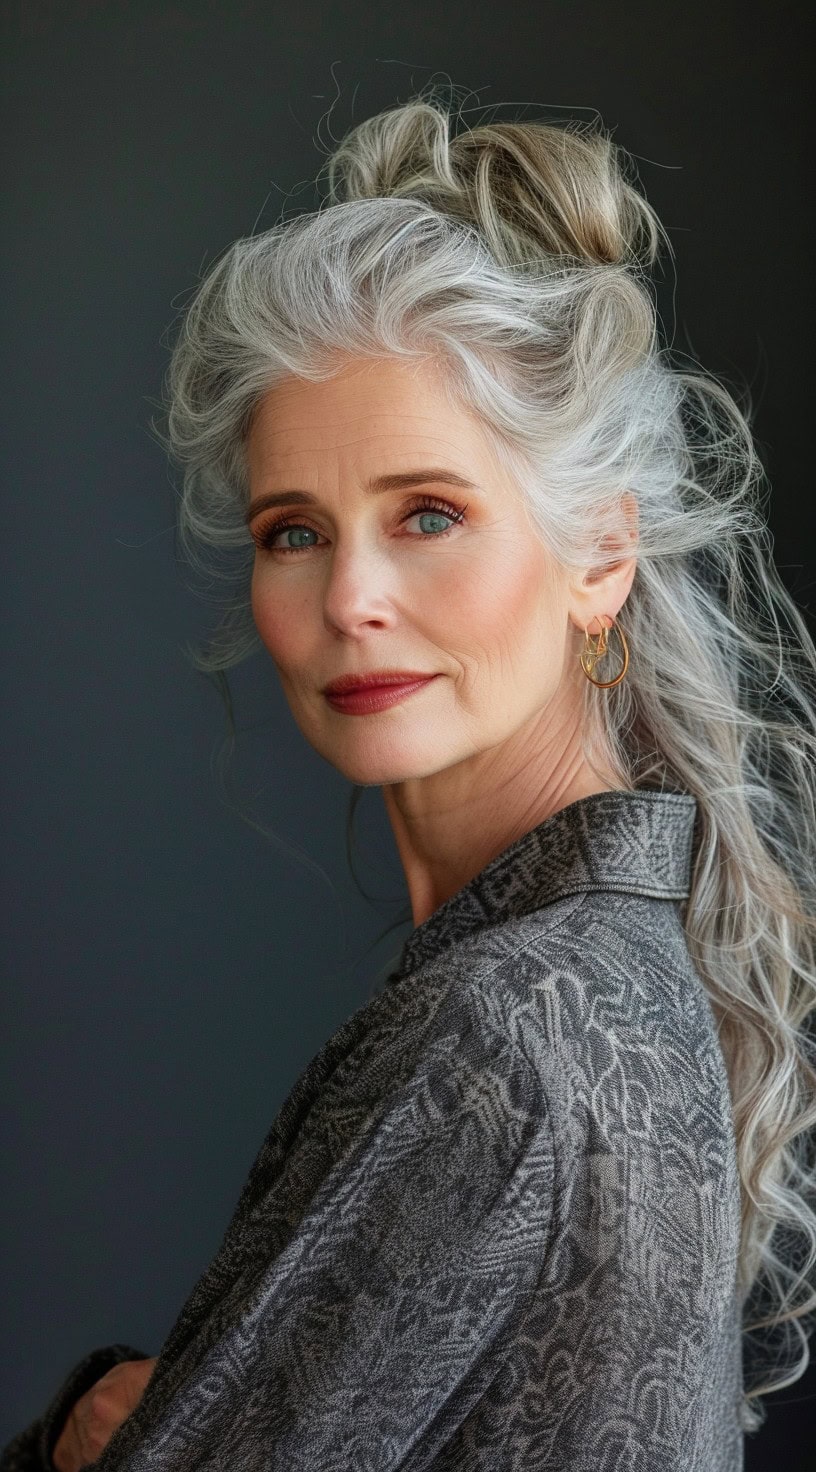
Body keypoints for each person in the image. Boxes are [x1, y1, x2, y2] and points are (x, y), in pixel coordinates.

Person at [4, 84, 816, 1472]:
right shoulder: (601, 972)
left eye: (428, 513)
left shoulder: (505, 1029)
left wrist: (91, 1442)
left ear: (600, 556)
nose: (352, 597)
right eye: (293, 531)